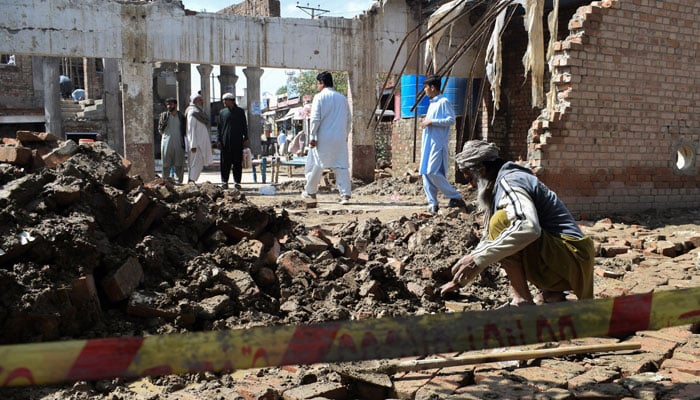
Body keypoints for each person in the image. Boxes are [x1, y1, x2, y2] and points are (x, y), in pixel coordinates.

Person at [439, 140, 595, 307]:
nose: (469, 184)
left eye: (468, 176)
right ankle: (552, 293)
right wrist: (465, 273)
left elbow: (528, 227)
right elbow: (490, 242)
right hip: (572, 258)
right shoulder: (505, 181)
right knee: (499, 234)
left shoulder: (510, 181)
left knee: (501, 222)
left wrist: (476, 259)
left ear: (481, 170)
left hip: (571, 257)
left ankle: (522, 299)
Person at [419, 75, 468, 214]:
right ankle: (432, 203)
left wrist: (432, 121)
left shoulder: (443, 101)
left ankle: (456, 196)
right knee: (425, 174)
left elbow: (451, 119)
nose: (425, 90)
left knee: (432, 171)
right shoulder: (433, 103)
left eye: (426, 88)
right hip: (428, 143)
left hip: (437, 143)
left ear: (432, 87)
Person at [302, 71, 352, 204]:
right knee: (341, 166)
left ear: (321, 83)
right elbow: (349, 119)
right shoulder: (342, 98)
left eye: (318, 83)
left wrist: (312, 135)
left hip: (323, 137)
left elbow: (315, 119)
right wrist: (345, 134)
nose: (317, 86)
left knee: (317, 164)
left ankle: (310, 191)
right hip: (339, 137)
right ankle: (345, 195)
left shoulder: (319, 97)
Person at [217, 92, 248, 190]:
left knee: (237, 163)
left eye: (225, 100)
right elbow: (219, 127)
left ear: (231, 100)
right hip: (225, 142)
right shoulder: (222, 112)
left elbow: (244, 126)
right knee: (225, 163)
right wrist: (219, 140)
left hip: (237, 141)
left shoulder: (240, 112)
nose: (224, 102)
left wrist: (246, 138)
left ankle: (237, 182)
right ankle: (224, 181)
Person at [185, 94, 213, 183]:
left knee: (198, 163)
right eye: (200, 100)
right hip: (196, 144)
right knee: (195, 163)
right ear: (195, 101)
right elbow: (191, 129)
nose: (202, 101)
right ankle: (191, 181)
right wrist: (193, 144)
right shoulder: (192, 112)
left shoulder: (198, 111)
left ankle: (192, 180)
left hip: (200, 143)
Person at [158, 97, 186, 183]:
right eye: (167, 104)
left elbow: (184, 130)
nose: (169, 106)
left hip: (179, 142)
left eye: (171, 104)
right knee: (166, 163)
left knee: (179, 163)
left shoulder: (181, 116)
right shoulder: (164, 116)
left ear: (176, 105)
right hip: (167, 142)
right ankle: (165, 181)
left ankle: (178, 181)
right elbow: (160, 130)